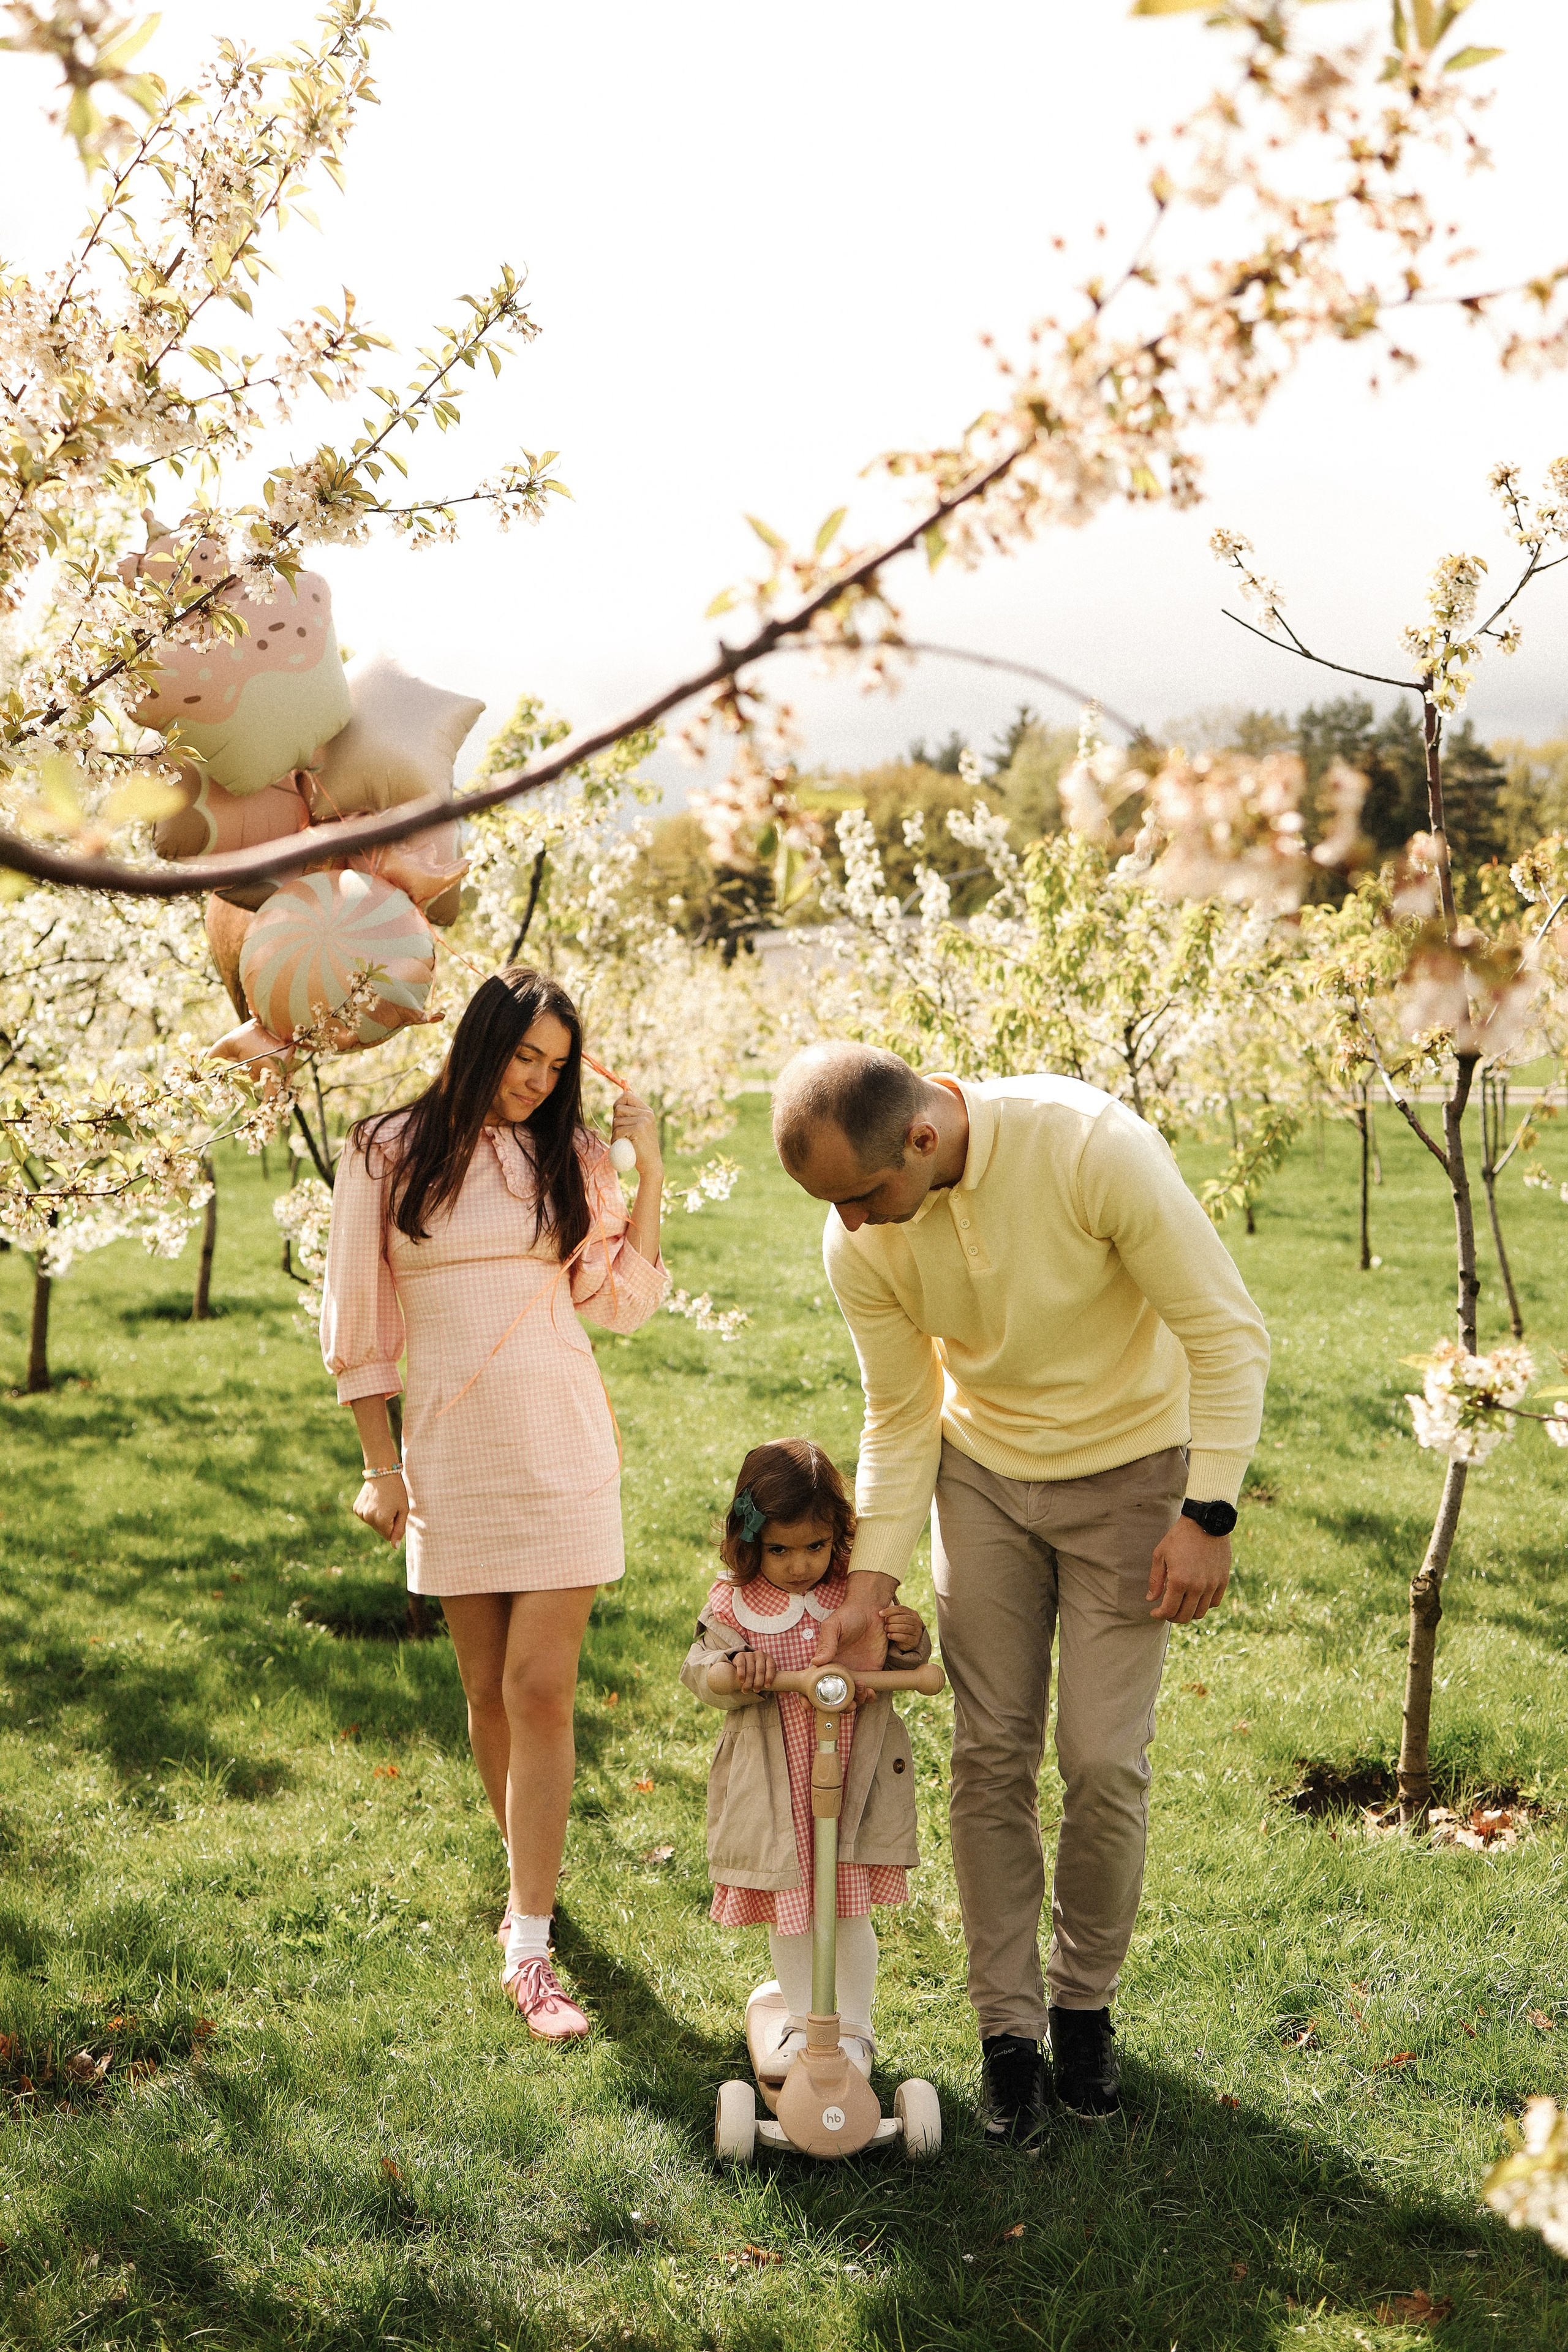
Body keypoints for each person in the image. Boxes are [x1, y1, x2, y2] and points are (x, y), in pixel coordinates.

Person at [770, 1042, 1270, 2141]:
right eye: (832, 1206)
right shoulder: (860, 1236)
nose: (850, 1224)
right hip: (984, 1483)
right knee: (990, 1754)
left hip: (1134, 1478)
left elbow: (1226, 1332)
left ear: (923, 1136)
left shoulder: (1092, 1147)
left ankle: (1083, 2006)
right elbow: (900, 1413)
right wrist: (867, 1586)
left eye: (863, 1197)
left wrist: (1209, 1512)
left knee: (1100, 1757)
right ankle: (1009, 2037)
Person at [320, 966, 668, 2040]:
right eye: (524, 1056)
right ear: (480, 1043)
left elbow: (619, 1300)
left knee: (539, 1689)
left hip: (560, 1442)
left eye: (556, 1067)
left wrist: (644, 1170)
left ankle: (529, 1944)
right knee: (484, 1691)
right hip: (449, 1450)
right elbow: (359, 1321)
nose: (537, 1080)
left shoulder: (569, 1154)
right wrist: (382, 1465)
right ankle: (533, 1883)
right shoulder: (384, 1150)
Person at [681, 1438, 930, 2078]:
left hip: (850, 1776)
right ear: (750, 1542)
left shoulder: (853, 1594)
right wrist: (735, 1672)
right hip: (778, 1784)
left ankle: (855, 2029)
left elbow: (893, 1660)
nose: (798, 1567)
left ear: (838, 1538)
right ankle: (800, 2022)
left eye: (815, 1547)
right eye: (780, 1550)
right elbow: (701, 1670)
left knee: (847, 1910)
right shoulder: (734, 1604)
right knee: (793, 1912)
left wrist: (907, 1640)